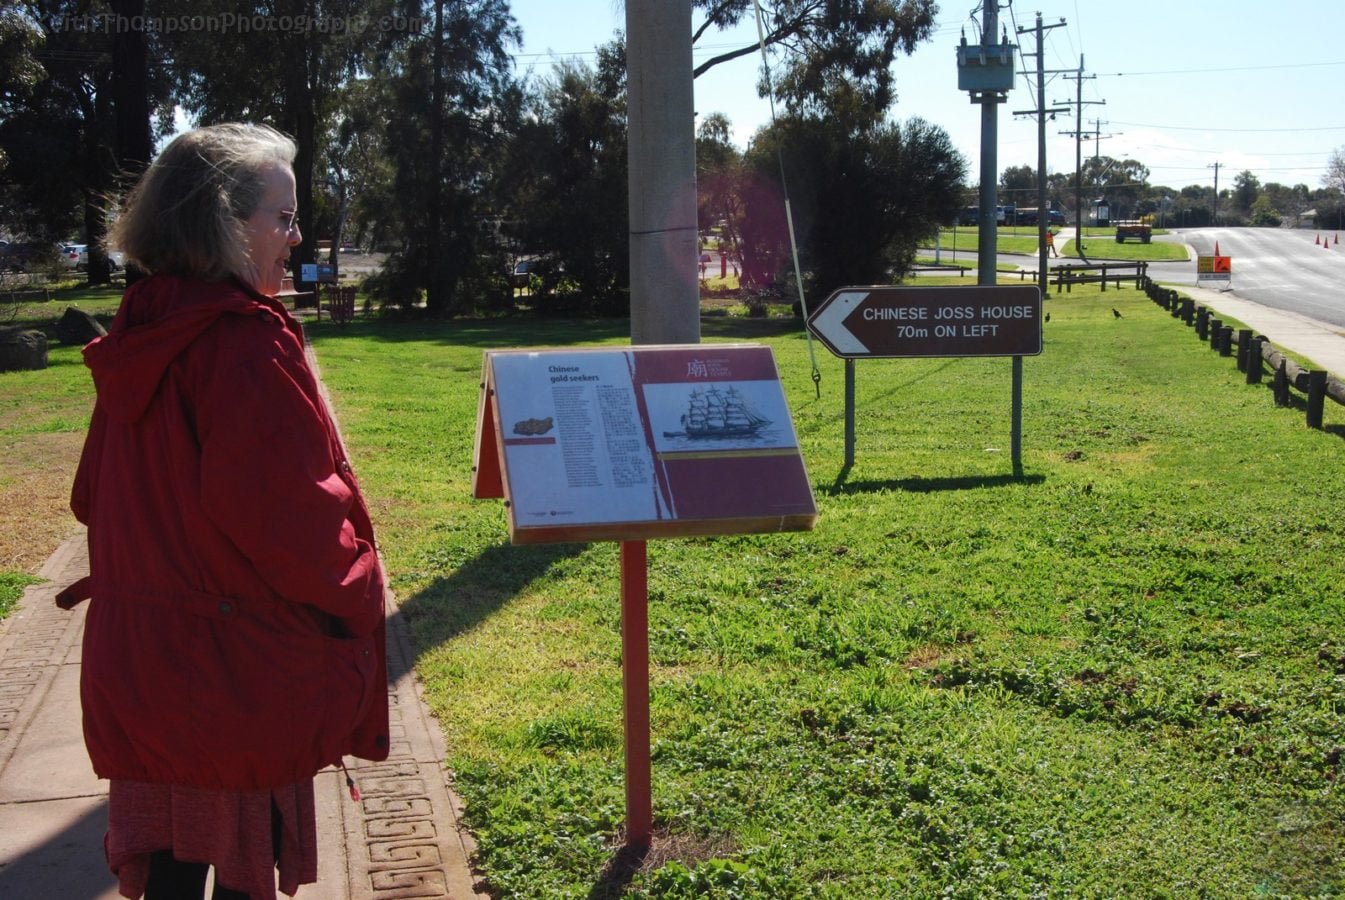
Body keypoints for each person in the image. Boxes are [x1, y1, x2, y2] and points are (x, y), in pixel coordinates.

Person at [56, 123, 388, 899]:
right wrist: (362, 585)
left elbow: (89, 498)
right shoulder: (242, 345)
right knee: (241, 877)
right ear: (223, 223)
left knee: (172, 880)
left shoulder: (143, 327)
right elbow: (292, 523)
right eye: (283, 216)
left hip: (143, 672)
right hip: (233, 676)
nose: (296, 235)